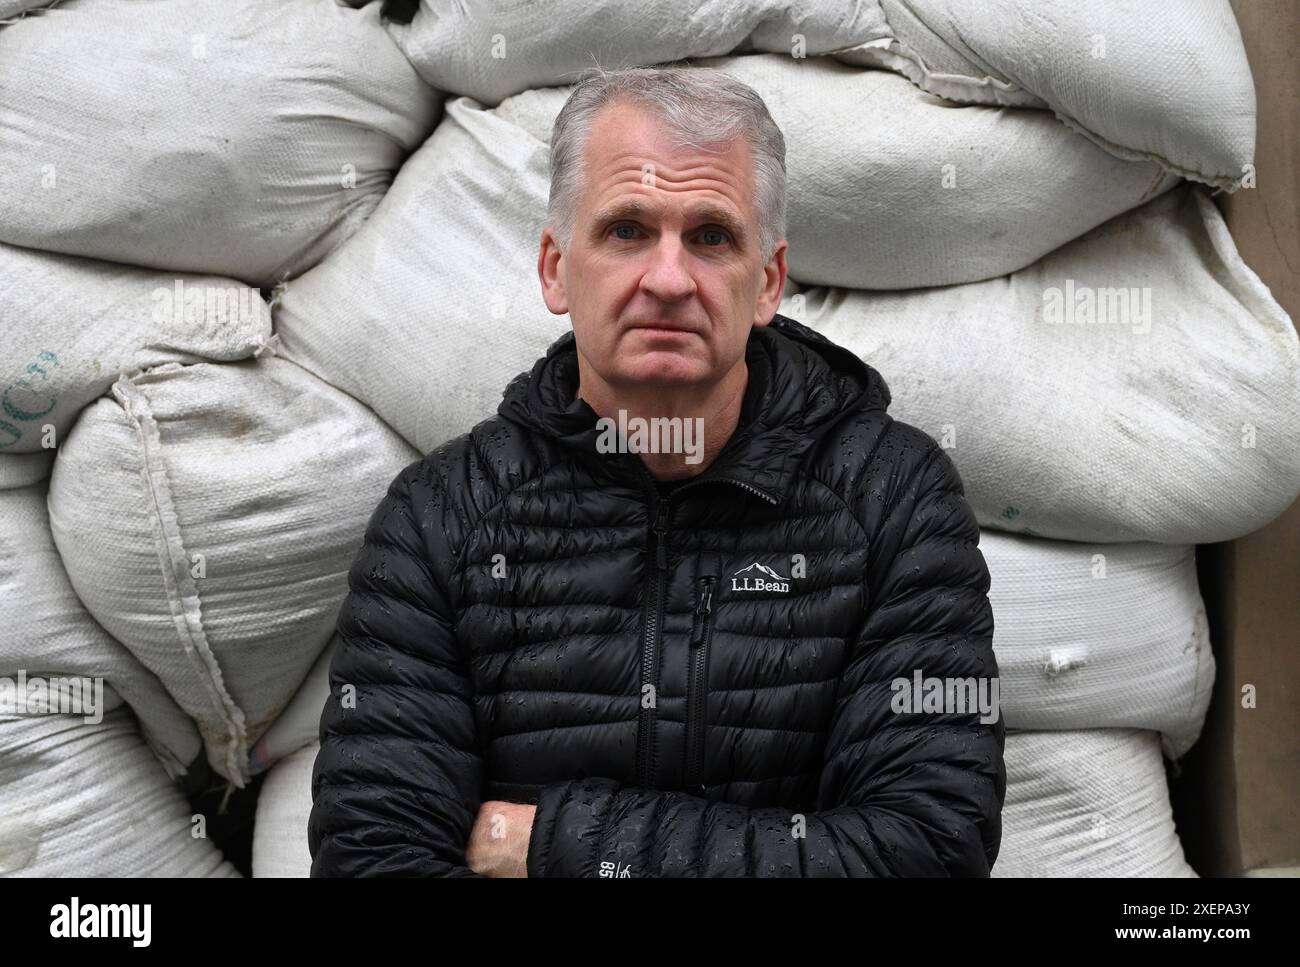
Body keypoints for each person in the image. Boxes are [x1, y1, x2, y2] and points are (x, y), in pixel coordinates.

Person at [308, 65, 1005, 877]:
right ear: (554, 269)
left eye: (711, 236)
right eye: (627, 230)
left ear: (768, 282)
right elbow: (371, 858)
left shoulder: (893, 498)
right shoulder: (441, 518)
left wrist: (553, 843)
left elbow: (927, 850)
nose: (669, 279)